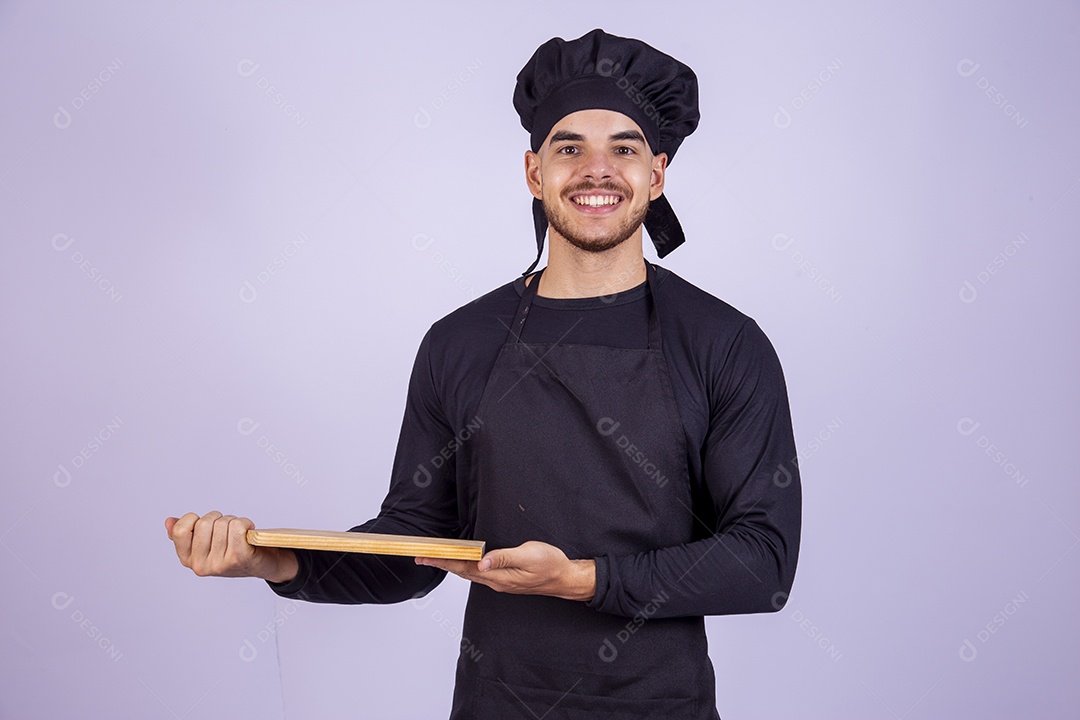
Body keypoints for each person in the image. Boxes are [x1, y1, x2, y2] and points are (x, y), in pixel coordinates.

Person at [166, 28, 802, 719]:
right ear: (535, 172)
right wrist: (273, 562)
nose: (598, 169)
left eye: (624, 147)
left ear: (657, 172)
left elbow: (762, 563)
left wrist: (581, 581)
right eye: (569, 148)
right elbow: (411, 544)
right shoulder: (461, 343)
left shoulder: (723, 343)